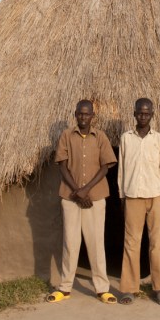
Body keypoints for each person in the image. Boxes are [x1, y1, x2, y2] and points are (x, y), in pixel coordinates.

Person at [47, 99, 118, 304]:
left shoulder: (100, 137)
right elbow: (62, 166)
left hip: (95, 197)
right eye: (80, 113)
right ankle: (65, 287)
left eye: (87, 114)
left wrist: (86, 190)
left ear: (93, 116)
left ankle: (102, 289)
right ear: (75, 114)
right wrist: (77, 191)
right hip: (70, 197)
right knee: (70, 242)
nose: (83, 117)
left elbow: (105, 166)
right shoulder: (67, 136)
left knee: (96, 243)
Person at [118, 97, 160, 305]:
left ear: (152, 114)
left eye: (147, 113)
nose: (143, 116)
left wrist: (159, 190)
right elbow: (122, 169)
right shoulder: (126, 138)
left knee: (157, 242)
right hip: (133, 196)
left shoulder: (159, 139)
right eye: (140, 112)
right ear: (134, 113)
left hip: (154, 195)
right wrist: (122, 196)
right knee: (131, 242)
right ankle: (129, 289)